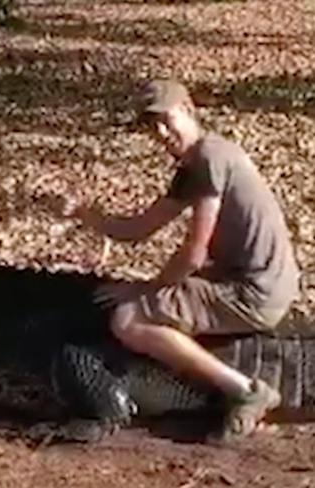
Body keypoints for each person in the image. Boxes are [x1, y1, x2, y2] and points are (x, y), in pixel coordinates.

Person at [59, 79, 301, 442]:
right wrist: (83, 213)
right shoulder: (196, 164)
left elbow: (193, 253)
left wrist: (143, 290)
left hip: (256, 290)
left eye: (166, 120)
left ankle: (246, 391)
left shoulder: (208, 158)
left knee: (128, 319)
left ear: (188, 111)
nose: (160, 132)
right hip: (254, 279)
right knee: (140, 301)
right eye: (150, 125)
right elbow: (138, 228)